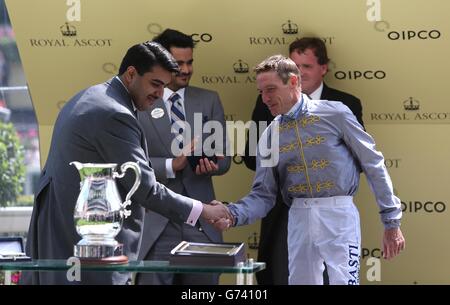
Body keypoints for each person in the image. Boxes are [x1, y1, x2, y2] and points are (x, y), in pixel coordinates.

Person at [21, 41, 231, 285]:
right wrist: (203, 210)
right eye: (155, 84)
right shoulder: (114, 112)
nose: (160, 94)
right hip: (86, 248)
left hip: (65, 244)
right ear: (131, 74)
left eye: (164, 86)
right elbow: (146, 188)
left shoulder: (95, 97)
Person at [218, 55, 405, 285]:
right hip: (298, 217)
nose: (265, 98)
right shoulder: (268, 135)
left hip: (338, 214)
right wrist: (232, 213)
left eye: (271, 89)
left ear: (294, 82)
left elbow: (373, 163)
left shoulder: (336, 114)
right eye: (261, 92)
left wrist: (391, 222)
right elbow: (263, 194)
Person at [242, 37, 366, 285]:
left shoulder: (345, 105)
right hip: (283, 210)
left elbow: (361, 160)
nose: (298, 72)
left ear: (323, 68)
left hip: (333, 216)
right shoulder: (266, 100)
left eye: (306, 66)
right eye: (294, 65)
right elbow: (250, 155)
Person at [135, 29, 231, 285]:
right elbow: (129, 164)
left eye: (190, 62)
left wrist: (212, 164)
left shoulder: (209, 100)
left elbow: (225, 160)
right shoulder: (138, 102)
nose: (186, 69)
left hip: (201, 224)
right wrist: (171, 164)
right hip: (156, 225)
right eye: (179, 64)